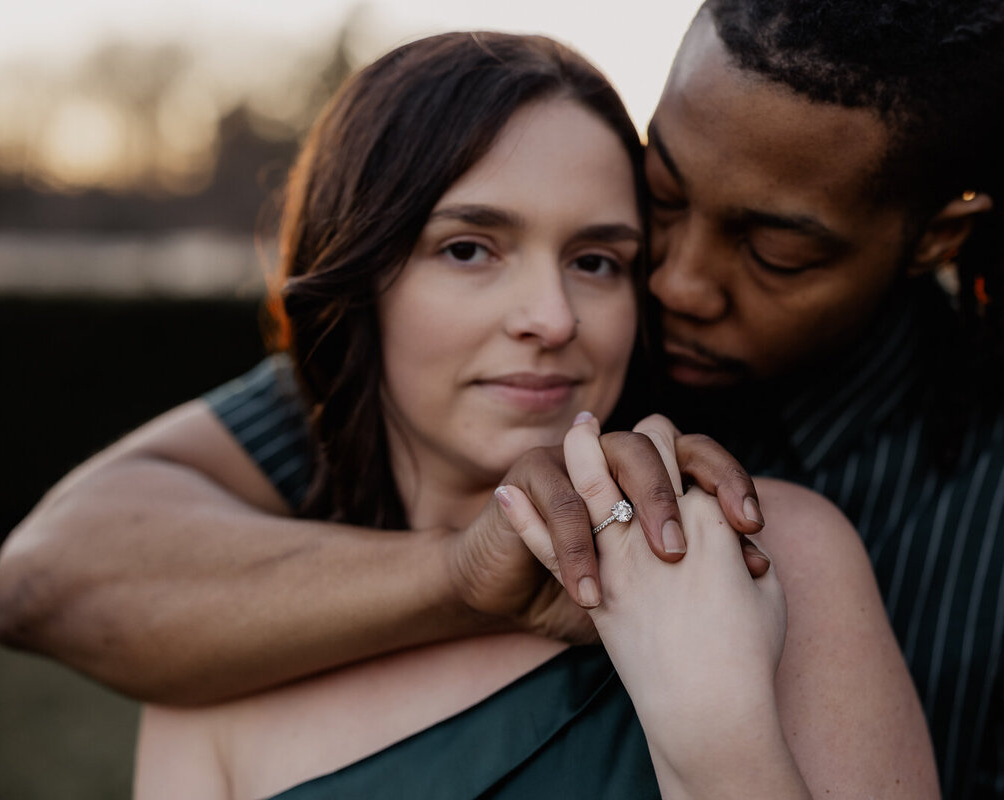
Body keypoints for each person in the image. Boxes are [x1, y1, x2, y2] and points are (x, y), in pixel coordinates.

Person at [0, 0, 1004, 795]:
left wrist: (721, 731)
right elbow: (57, 569)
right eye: (660, 205)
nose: (671, 282)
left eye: (774, 250)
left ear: (931, 237)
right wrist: (471, 572)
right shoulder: (509, 372)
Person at [128, 30, 934, 799]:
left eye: (595, 262)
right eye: (469, 248)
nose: (552, 318)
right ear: (360, 279)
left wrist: (718, 737)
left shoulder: (771, 555)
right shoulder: (220, 667)